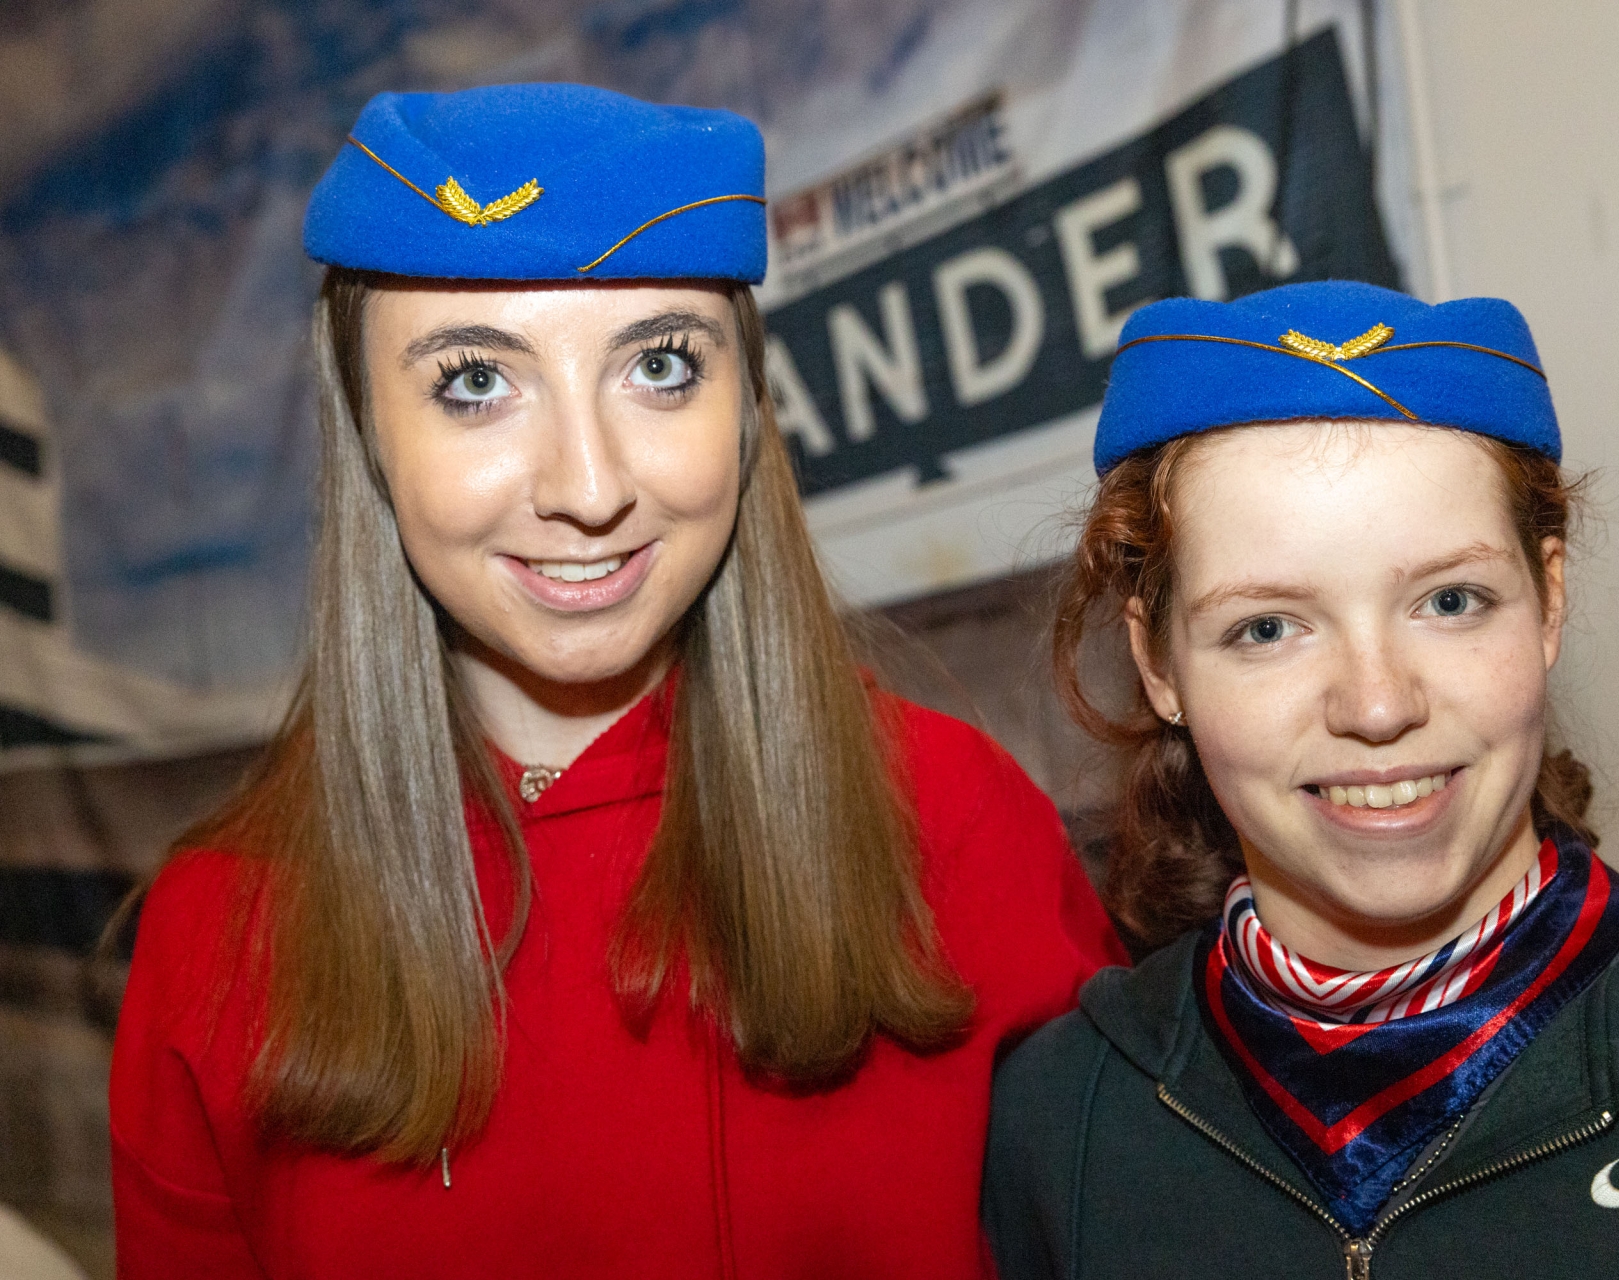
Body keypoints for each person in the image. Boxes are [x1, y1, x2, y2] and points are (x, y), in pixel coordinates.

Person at [109, 83, 1123, 1279]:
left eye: (660, 364)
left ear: (746, 409)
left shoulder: (957, 822)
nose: (588, 486)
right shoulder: (220, 932)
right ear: (370, 434)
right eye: (475, 382)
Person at [983, 280, 1619, 1277]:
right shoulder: (1062, 1127)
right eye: (1267, 628)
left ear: (1548, 599)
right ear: (1159, 663)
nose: (1378, 703)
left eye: (1450, 601)